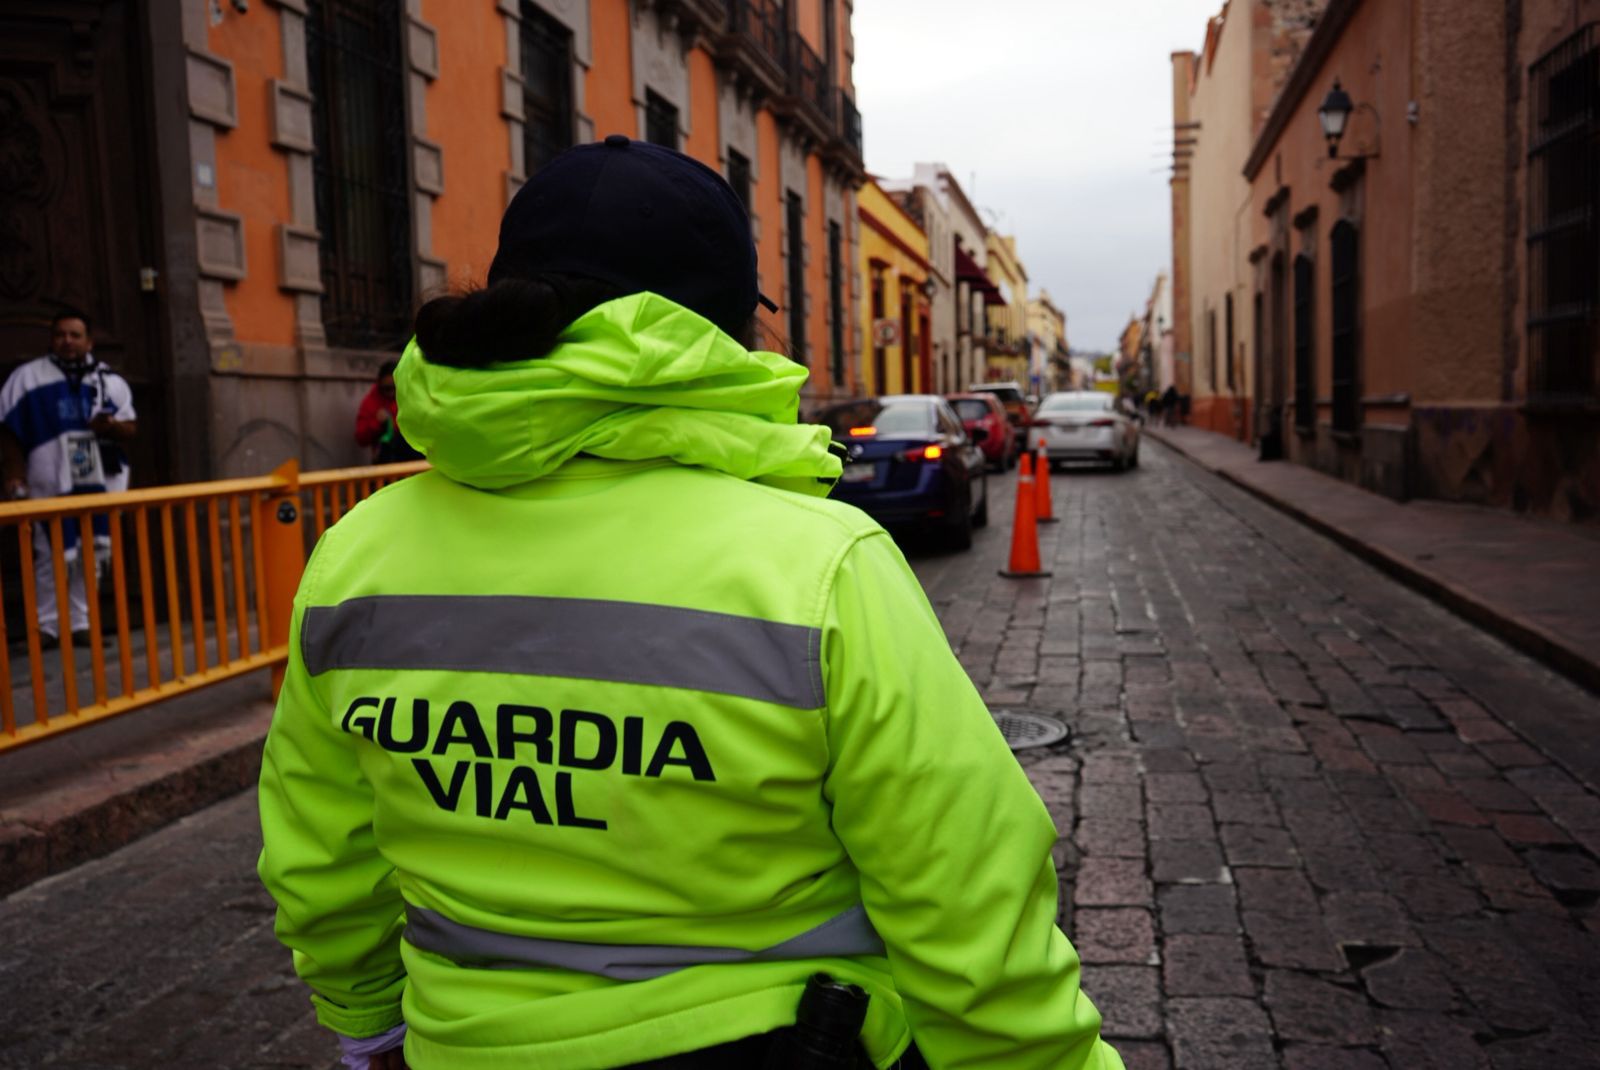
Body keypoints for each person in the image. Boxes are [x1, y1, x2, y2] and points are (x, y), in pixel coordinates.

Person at [257, 136, 1123, 1070]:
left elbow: (322, 851)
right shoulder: (820, 564)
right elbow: (966, 895)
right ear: (723, 332)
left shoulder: (355, 552)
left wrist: (368, 1021)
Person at [0, 308, 136, 647]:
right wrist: (15, 476)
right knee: (50, 555)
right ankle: (46, 627)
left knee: (91, 555)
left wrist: (111, 427)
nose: (67, 341)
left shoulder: (108, 381)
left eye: (75, 335)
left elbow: (131, 427)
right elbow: (8, 432)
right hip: (49, 481)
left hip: (99, 485)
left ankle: (80, 623)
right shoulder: (27, 378)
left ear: (89, 341)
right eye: (61, 334)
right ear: (52, 339)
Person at [355, 360, 423, 464]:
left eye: (395, 388)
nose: (392, 393)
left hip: (412, 459)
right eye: (387, 389)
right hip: (385, 461)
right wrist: (376, 422)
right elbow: (361, 437)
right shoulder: (372, 402)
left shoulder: (412, 397)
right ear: (380, 385)